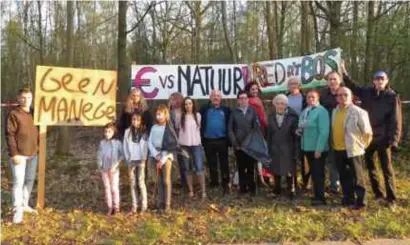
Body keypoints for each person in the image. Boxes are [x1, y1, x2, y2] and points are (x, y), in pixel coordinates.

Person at [341, 61, 402, 205]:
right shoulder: (367, 93)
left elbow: (396, 120)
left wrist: (394, 140)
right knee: (371, 167)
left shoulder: (392, 97)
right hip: (368, 138)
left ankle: (391, 198)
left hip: (384, 139)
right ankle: (378, 194)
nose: (379, 81)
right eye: (377, 79)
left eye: (382, 79)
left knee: (387, 169)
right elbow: (353, 87)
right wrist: (344, 72)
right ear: (373, 81)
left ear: (386, 81)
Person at [332, 87, 373, 210]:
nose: (342, 97)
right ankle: (348, 199)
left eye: (345, 94)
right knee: (344, 176)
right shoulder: (335, 111)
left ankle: (361, 202)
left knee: (358, 176)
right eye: (339, 95)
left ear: (351, 96)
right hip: (338, 149)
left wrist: (361, 146)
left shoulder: (359, 112)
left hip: (353, 150)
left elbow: (367, 133)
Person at [6, 85, 39, 224]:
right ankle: (17, 210)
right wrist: (14, 154)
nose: (26, 100)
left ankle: (24, 204)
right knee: (18, 182)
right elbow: (9, 134)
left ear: (32, 98)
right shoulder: (14, 114)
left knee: (30, 180)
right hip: (19, 155)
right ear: (19, 98)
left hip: (33, 153)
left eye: (29, 97)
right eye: (23, 97)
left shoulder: (35, 113)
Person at [297, 90, 330, 205]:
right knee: (313, 174)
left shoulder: (322, 111)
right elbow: (303, 126)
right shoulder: (305, 111)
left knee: (318, 174)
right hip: (307, 148)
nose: (311, 99)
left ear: (318, 98)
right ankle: (316, 195)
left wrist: (319, 149)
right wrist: (299, 131)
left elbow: (324, 132)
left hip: (317, 148)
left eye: (313, 97)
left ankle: (321, 198)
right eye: (309, 97)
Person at [266, 94, 299, 199]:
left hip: (288, 148)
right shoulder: (270, 117)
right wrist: (268, 148)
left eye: (282, 104)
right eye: (278, 103)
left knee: (289, 170)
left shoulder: (293, 117)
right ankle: (277, 189)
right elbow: (268, 135)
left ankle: (291, 190)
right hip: (275, 147)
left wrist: (296, 151)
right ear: (275, 105)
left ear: (286, 105)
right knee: (276, 169)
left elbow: (296, 136)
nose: (280, 106)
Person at [228, 91, 259, 196]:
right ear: (238, 100)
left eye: (245, 98)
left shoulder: (252, 111)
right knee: (241, 168)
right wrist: (234, 143)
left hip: (250, 146)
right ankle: (242, 188)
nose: (243, 100)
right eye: (241, 98)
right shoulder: (234, 112)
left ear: (248, 99)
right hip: (239, 145)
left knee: (250, 168)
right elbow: (230, 129)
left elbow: (256, 128)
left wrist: (254, 142)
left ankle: (252, 188)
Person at [200, 90, 231, 193]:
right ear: (210, 98)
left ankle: (225, 183)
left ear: (221, 98)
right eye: (214, 96)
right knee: (211, 163)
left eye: (218, 96)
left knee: (224, 164)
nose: (216, 98)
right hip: (208, 141)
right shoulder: (204, 110)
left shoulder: (226, 110)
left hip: (222, 140)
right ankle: (214, 182)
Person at [148, 105, 177, 213]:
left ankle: (167, 204)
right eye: (157, 114)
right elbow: (149, 142)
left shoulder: (169, 128)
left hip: (166, 157)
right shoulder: (154, 127)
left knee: (166, 180)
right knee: (158, 181)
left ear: (166, 115)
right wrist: (156, 155)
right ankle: (160, 202)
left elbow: (171, 145)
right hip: (155, 155)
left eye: (160, 114)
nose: (158, 116)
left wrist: (163, 158)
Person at [179, 97, 206, 199]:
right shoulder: (181, 117)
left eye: (189, 103)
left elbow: (199, 129)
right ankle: (191, 190)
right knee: (187, 168)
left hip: (196, 145)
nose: (188, 106)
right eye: (186, 104)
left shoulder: (198, 116)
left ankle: (203, 190)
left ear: (193, 105)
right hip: (184, 146)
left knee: (199, 167)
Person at [320, 72, 343, 194]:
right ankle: (332, 184)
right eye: (330, 79)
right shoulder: (323, 94)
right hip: (326, 130)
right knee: (329, 159)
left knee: (341, 159)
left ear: (339, 80)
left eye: (334, 79)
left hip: (341, 131)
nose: (332, 81)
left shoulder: (344, 93)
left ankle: (341, 183)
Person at [123, 111, 149, 214]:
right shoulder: (127, 132)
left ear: (141, 121)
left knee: (141, 183)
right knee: (132, 183)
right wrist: (127, 157)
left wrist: (144, 158)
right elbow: (125, 146)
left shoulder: (144, 132)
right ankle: (134, 206)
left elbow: (146, 146)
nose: (135, 122)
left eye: (138, 120)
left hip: (141, 160)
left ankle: (144, 206)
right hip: (131, 160)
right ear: (131, 120)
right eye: (134, 119)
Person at [286, 77, 308, 192]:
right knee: (291, 158)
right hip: (289, 132)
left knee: (304, 158)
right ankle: (293, 183)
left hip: (304, 131)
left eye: (295, 83)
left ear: (299, 85)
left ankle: (305, 183)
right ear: (288, 86)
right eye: (291, 84)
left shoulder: (305, 98)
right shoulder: (285, 98)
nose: (293, 85)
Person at [97, 122, 124, 215]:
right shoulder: (102, 143)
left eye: (109, 132)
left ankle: (116, 207)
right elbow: (99, 155)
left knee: (114, 188)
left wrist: (115, 165)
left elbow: (122, 155)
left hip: (114, 170)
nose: (107, 134)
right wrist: (100, 165)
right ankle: (110, 207)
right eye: (105, 132)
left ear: (113, 132)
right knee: (107, 188)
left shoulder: (117, 143)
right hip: (104, 169)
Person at [169, 92, 187, 188]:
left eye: (176, 99)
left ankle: (188, 182)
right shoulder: (169, 111)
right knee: (180, 161)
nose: (174, 101)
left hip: (185, 137)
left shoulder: (185, 110)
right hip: (174, 138)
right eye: (172, 99)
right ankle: (183, 182)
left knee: (186, 161)